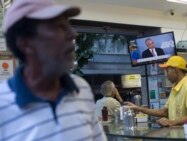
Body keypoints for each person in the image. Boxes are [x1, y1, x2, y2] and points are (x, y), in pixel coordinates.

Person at [0, 0, 107, 141]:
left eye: (68, 25)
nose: (73, 34)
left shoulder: (81, 88)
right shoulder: (3, 105)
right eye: (58, 27)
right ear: (25, 43)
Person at [126, 56, 187, 126]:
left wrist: (171, 122)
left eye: (167, 71)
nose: (166, 74)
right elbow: (164, 112)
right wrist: (138, 108)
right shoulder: (175, 88)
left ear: (175, 70)